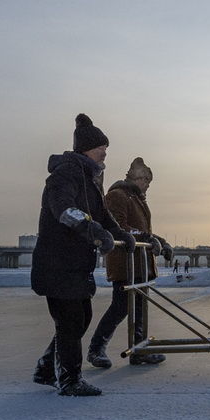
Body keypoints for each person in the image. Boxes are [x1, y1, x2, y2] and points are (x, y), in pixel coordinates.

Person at [30, 114, 132, 397]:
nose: (105, 153)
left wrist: (121, 233)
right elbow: (64, 210)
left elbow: (103, 215)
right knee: (71, 320)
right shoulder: (66, 173)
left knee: (80, 317)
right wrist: (93, 230)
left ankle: (47, 369)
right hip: (57, 262)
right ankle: (69, 380)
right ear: (87, 148)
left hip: (74, 264)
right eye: (102, 148)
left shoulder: (90, 179)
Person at [86, 157, 173, 368]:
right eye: (145, 182)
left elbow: (143, 232)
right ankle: (96, 348)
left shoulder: (137, 199)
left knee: (140, 308)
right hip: (125, 264)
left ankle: (139, 349)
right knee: (120, 307)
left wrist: (159, 241)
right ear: (135, 177)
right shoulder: (117, 196)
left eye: (149, 183)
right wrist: (149, 239)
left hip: (140, 265)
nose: (147, 186)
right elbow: (121, 229)